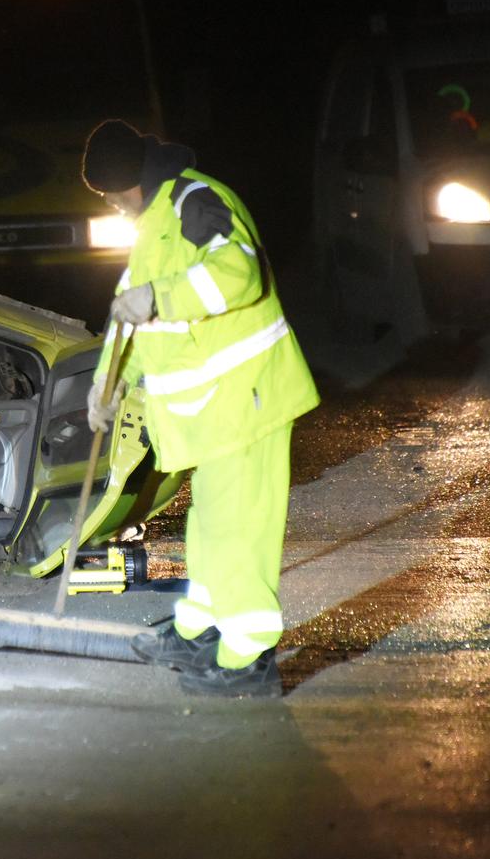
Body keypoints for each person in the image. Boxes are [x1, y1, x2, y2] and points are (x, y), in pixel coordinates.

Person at [81, 119, 318, 696]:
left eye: (113, 195)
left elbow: (238, 272)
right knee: (210, 525)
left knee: (241, 532)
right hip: (215, 412)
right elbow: (134, 318)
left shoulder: (195, 200)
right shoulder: (152, 223)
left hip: (249, 397)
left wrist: (159, 296)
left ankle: (248, 659)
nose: (112, 206)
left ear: (134, 180)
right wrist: (107, 383)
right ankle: (199, 629)